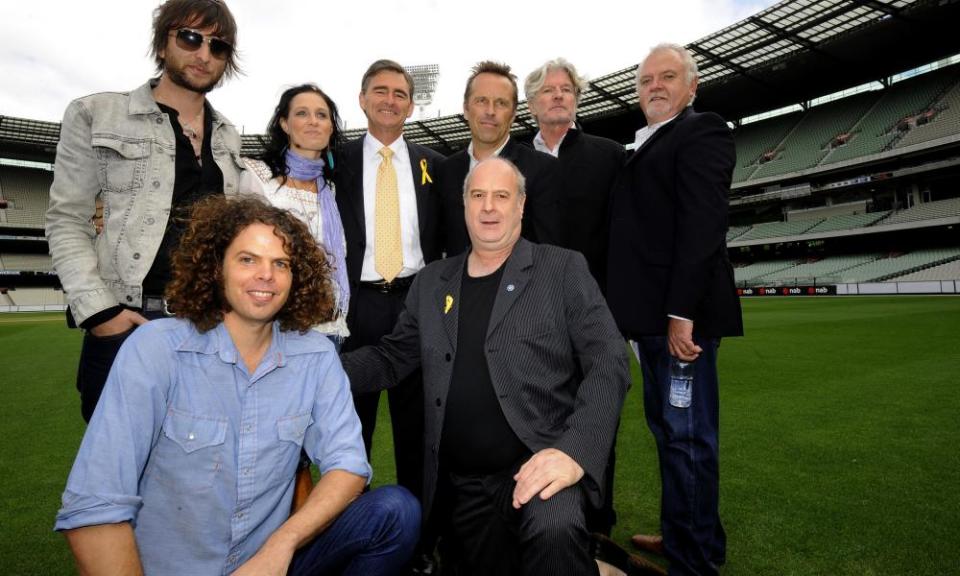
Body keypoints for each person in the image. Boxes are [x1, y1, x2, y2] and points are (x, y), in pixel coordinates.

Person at [55, 195, 420, 576]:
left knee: (394, 511)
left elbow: (348, 465)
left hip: (267, 564)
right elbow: (94, 507)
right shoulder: (157, 349)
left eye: (281, 263)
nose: (267, 275)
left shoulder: (314, 355)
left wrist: (282, 544)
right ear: (216, 269)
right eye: (248, 260)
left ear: (296, 278)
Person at [342, 157, 629, 575]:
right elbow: (390, 359)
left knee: (555, 533)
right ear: (464, 205)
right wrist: (317, 370)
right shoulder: (431, 281)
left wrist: (574, 453)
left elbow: (610, 359)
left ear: (521, 205)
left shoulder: (562, 268)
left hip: (539, 464)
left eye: (501, 196)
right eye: (478, 195)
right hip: (461, 485)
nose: (489, 207)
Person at [45, 0, 246, 422]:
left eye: (219, 46)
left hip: (208, 325)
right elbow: (66, 220)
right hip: (127, 321)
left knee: (200, 471)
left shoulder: (229, 136)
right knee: (116, 476)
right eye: (190, 38)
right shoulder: (96, 114)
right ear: (162, 43)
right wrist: (100, 313)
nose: (203, 54)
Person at [606, 43, 744, 576]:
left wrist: (682, 311)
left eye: (667, 77)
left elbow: (704, 224)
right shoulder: (646, 144)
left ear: (692, 87)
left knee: (687, 438)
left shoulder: (701, 130)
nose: (654, 87)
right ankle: (689, 535)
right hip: (651, 323)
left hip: (678, 322)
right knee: (671, 433)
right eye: (645, 80)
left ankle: (695, 560)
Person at [334, 59, 445, 573]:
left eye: (400, 93)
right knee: (348, 431)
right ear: (362, 99)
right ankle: (350, 534)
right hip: (355, 305)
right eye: (380, 90)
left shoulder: (434, 164)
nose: (390, 99)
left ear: (411, 104)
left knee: (418, 428)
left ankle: (419, 541)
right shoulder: (335, 160)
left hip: (416, 304)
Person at [240, 84, 350, 346]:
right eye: (302, 113)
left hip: (328, 327)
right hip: (275, 326)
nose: (313, 121)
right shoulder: (258, 177)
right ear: (285, 124)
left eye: (322, 115)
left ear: (331, 128)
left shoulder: (331, 189)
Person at [436, 61, 564, 256]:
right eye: (481, 101)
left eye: (501, 103)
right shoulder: (446, 170)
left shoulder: (543, 169)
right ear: (466, 108)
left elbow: (549, 251)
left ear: (513, 114)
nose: (490, 111)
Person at [524, 57, 625, 292]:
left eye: (566, 89)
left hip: (596, 296)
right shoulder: (512, 163)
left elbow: (623, 235)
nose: (558, 95)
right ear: (531, 105)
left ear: (575, 101)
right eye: (548, 90)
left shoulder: (610, 155)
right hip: (530, 299)